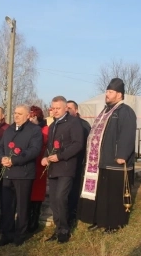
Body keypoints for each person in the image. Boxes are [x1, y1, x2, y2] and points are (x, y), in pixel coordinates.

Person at [78, 78, 136, 234]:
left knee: (113, 196)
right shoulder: (105, 111)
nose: (107, 94)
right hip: (100, 162)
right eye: (106, 91)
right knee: (101, 195)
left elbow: (128, 134)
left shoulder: (125, 111)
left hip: (115, 161)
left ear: (119, 94)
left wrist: (122, 154)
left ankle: (114, 223)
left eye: (110, 92)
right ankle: (100, 220)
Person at [0, 105, 42, 247]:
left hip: (24, 174)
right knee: (7, 205)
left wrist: (14, 160)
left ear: (28, 115)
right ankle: (6, 234)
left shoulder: (34, 130)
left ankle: (20, 234)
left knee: (22, 206)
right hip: (8, 173)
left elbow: (34, 150)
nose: (16, 116)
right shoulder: (9, 129)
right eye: (15, 113)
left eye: (20, 114)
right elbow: (0, 146)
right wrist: (2, 158)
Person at [42, 96, 84, 243]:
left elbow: (77, 144)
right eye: (53, 108)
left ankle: (65, 230)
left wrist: (60, 156)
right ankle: (58, 229)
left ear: (66, 108)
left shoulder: (74, 123)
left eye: (58, 108)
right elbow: (50, 146)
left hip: (66, 167)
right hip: (53, 168)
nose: (55, 111)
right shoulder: (53, 125)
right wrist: (45, 157)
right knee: (54, 201)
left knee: (61, 197)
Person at [66, 100, 91, 227]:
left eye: (70, 108)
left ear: (76, 110)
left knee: (75, 189)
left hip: (78, 162)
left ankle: (74, 214)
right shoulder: (61, 123)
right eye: (66, 108)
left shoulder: (84, 125)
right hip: (64, 164)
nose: (67, 110)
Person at [27, 105, 49, 233]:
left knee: (37, 192)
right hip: (30, 163)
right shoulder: (30, 128)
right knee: (29, 192)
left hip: (39, 164)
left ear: (35, 116)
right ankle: (28, 219)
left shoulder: (44, 129)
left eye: (31, 116)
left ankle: (34, 221)